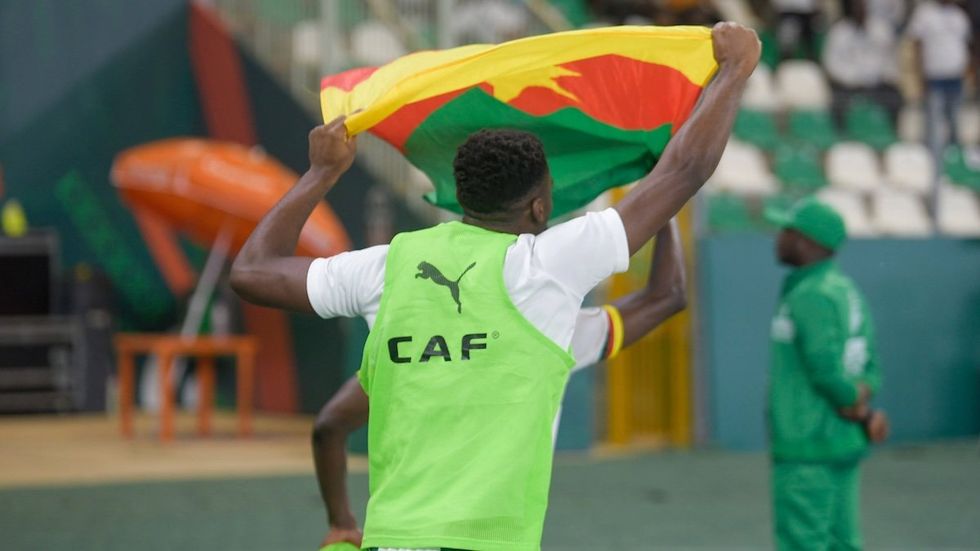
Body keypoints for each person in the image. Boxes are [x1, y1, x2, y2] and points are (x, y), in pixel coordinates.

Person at [230, 22, 760, 551]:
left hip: (390, 540)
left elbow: (253, 273)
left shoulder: (388, 267)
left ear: (465, 196)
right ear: (540, 206)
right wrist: (733, 69)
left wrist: (321, 172)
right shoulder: (547, 269)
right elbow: (684, 174)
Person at [311, 219, 686, 548]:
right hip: (496, 540)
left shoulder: (405, 348)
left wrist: (341, 521)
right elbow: (666, 296)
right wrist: (666, 210)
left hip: (402, 538)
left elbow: (329, 426)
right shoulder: (551, 326)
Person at [764, 197, 889, 551]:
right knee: (843, 543)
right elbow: (871, 365)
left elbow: (825, 371)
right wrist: (863, 399)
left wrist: (854, 403)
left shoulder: (810, 294)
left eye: (786, 230)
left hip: (807, 446)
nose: (778, 237)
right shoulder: (846, 289)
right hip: (844, 440)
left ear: (806, 242)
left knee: (802, 543)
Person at [907, 0, 972, 158]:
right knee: (934, 126)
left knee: (955, 123)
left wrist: (969, 73)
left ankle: (955, 162)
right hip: (934, 78)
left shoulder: (959, 15)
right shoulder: (924, 13)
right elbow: (917, 44)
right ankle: (933, 164)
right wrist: (919, 74)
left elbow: (967, 45)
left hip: (956, 78)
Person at [822, 0, 902, 126]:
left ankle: (892, 131)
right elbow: (831, 63)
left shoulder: (881, 29)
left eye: (863, 8)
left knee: (895, 97)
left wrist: (884, 76)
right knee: (837, 103)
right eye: (857, 8)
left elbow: (889, 58)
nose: (860, 11)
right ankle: (841, 134)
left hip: (876, 84)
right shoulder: (839, 32)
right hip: (848, 85)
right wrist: (851, 79)